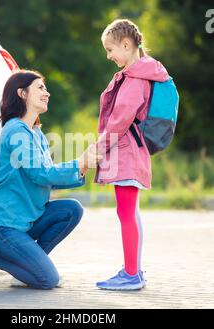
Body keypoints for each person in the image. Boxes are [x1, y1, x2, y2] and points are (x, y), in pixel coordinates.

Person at [0, 69, 102, 290]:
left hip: (25, 222)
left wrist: (81, 168)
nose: (47, 93)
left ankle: (26, 268)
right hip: (2, 226)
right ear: (22, 93)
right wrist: (78, 163)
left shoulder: (36, 133)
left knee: (71, 210)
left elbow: (47, 177)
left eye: (45, 88)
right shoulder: (15, 130)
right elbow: (40, 172)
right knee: (48, 280)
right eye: (40, 87)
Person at [94, 19, 169, 290]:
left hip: (126, 153)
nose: (109, 55)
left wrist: (98, 149)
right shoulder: (140, 74)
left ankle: (131, 274)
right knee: (129, 212)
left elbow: (120, 120)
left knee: (126, 213)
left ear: (126, 45)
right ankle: (132, 269)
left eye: (110, 49)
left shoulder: (136, 79)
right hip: (131, 153)